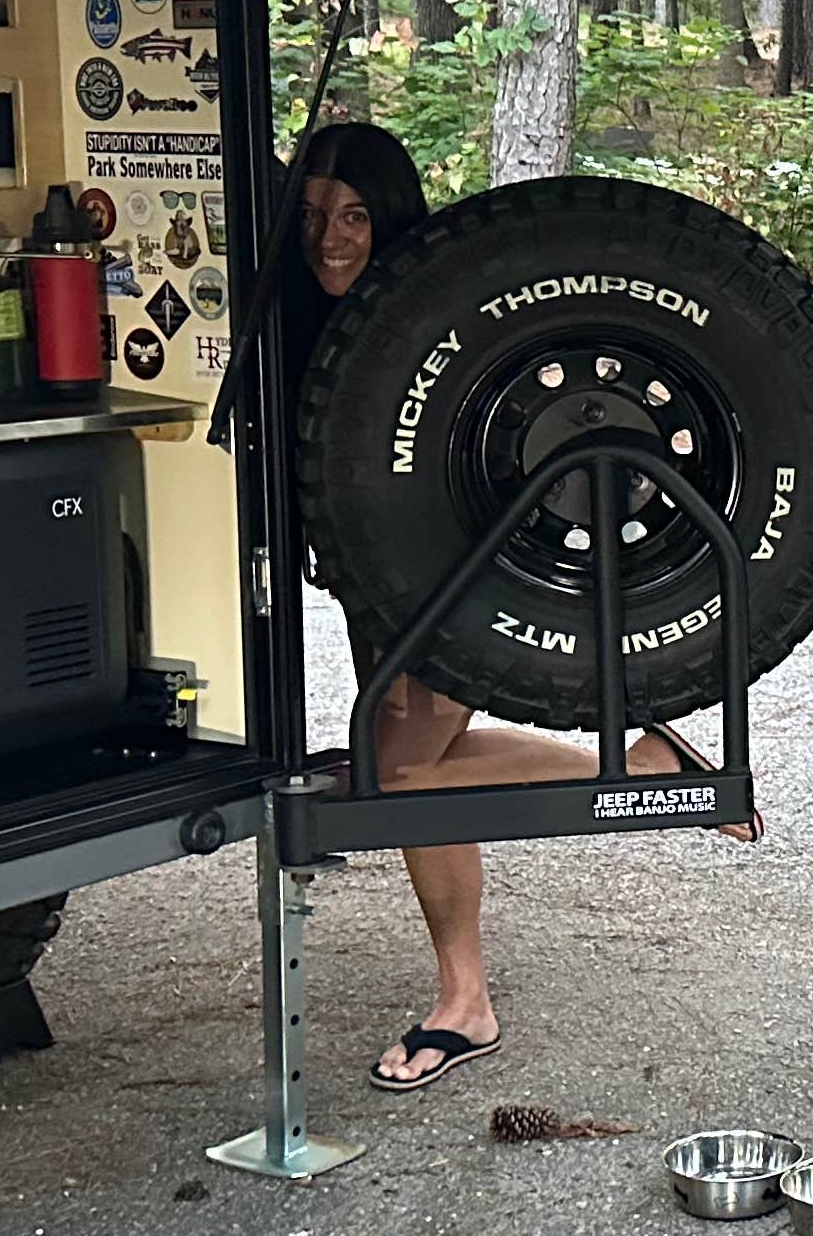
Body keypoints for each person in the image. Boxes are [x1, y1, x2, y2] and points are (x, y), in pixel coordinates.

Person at [266, 121, 740, 1095]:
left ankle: (635, 776)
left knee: (394, 781)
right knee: (417, 773)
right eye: (313, 217)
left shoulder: (438, 315)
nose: (332, 239)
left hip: (452, 577)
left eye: (355, 216)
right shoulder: (301, 318)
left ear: (391, 221)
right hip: (373, 583)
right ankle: (468, 992)